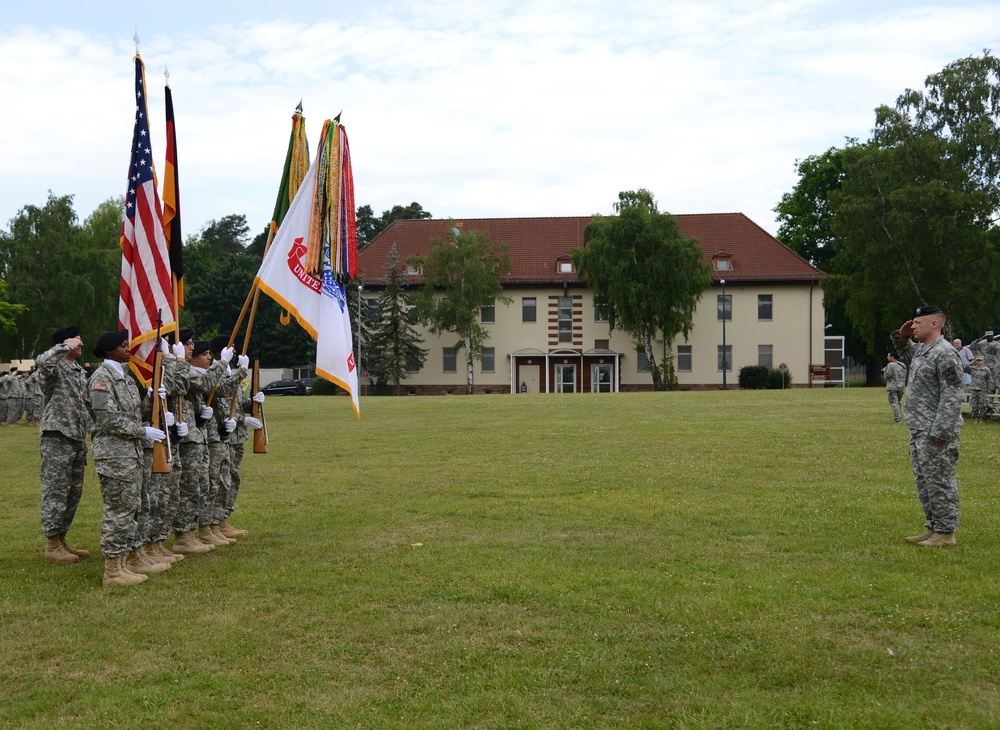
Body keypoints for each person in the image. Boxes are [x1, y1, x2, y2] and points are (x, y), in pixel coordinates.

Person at [86, 328, 167, 586]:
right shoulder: (101, 378)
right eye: (122, 345)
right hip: (113, 455)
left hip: (129, 454)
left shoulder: (127, 376)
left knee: (133, 508)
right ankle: (112, 571)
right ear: (109, 350)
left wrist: (153, 398)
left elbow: (135, 412)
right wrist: (141, 431)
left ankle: (124, 564)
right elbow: (107, 419)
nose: (128, 348)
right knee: (118, 512)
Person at [891, 305, 964, 548]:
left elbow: (952, 394)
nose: (913, 327)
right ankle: (934, 527)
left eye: (918, 323)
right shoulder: (923, 351)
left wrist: (942, 431)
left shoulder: (944, 352)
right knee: (925, 481)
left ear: (934, 324)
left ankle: (946, 533)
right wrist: (902, 337)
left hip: (936, 431)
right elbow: (905, 351)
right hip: (920, 429)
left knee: (940, 480)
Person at [35, 326, 91, 564]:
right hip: (57, 435)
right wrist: (65, 345)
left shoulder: (78, 370)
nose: (81, 343)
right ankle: (51, 545)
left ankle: (62, 539)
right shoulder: (54, 367)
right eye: (76, 339)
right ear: (64, 343)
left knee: (72, 492)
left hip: (77, 436)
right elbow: (42, 362)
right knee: (56, 491)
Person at [966, 355, 995, 424]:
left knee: (983, 405)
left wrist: (990, 392)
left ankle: (981, 418)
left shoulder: (986, 369)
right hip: (974, 389)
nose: (979, 362)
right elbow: (964, 367)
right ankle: (975, 418)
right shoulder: (973, 369)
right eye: (977, 360)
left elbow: (989, 380)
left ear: (983, 361)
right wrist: (971, 362)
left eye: (980, 360)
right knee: (974, 405)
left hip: (982, 389)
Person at [882, 352, 906, 424]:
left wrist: (884, 371)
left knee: (894, 403)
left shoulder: (890, 365)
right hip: (901, 386)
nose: (887, 357)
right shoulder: (902, 365)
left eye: (888, 356)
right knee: (898, 403)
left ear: (892, 357)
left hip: (892, 387)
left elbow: (888, 376)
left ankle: (898, 420)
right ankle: (900, 417)